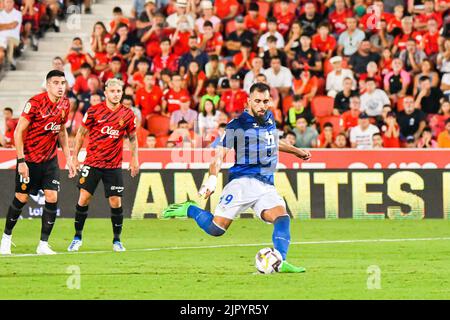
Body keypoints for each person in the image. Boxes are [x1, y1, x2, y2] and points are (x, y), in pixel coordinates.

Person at [163, 82, 311, 273]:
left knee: (282, 219)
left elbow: (273, 141)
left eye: (265, 101)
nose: (262, 105)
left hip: (266, 184)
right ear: (249, 101)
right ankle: (190, 209)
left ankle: (279, 261)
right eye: (257, 101)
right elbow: (218, 157)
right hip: (242, 183)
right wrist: (213, 179)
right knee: (216, 229)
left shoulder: (269, 118)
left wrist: (296, 151)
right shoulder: (237, 125)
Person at [0, 70, 76, 255]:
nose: (60, 86)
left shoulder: (65, 104)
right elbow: (18, 132)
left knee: (52, 197)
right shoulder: (35, 103)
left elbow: (61, 132)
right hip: (30, 160)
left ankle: (43, 244)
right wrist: (21, 161)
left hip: (50, 160)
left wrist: (69, 157)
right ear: (48, 85)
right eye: (56, 83)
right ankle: (6, 239)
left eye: (63, 83)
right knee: (22, 198)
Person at [67, 78, 139, 252]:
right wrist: (75, 157)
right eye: (112, 91)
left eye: (119, 91)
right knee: (84, 198)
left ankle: (117, 240)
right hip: (92, 163)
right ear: (105, 93)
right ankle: (77, 237)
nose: (116, 94)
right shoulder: (94, 111)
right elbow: (81, 134)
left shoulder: (127, 114)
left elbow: (132, 138)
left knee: (115, 202)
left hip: (113, 165)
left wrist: (134, 158)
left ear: (122, 93)